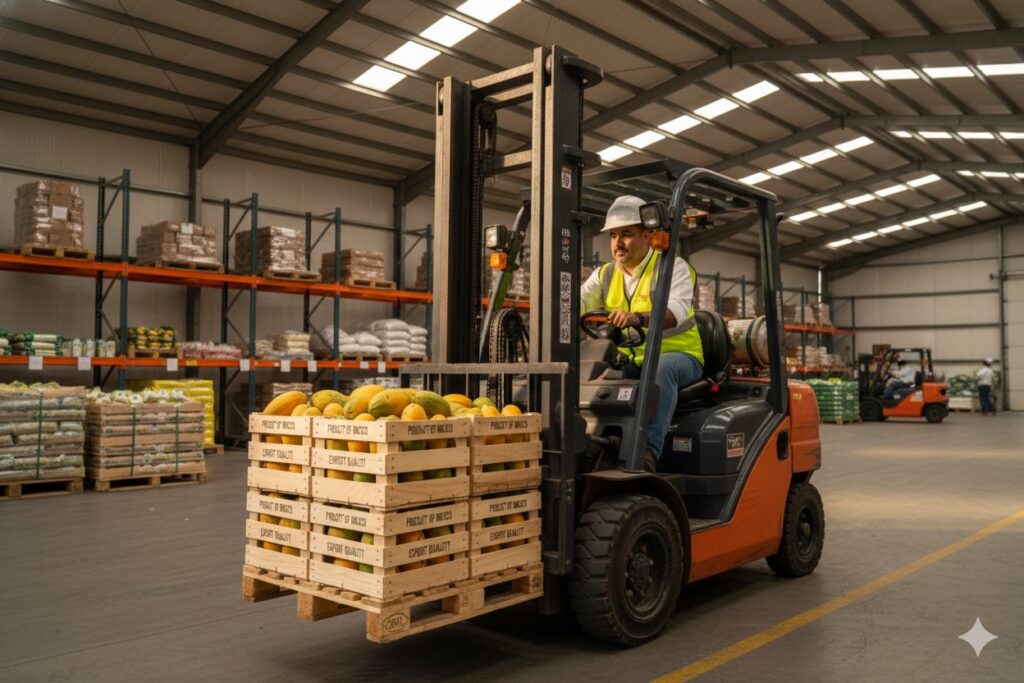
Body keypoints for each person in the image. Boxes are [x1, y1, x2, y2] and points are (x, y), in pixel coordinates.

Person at [580, 195, 704, 472]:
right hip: (631, 360)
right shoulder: (605, 274)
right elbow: (576, 302)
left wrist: (638, 317)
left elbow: (674, 312)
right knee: (592, 376)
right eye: (613, 235)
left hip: (680, 357)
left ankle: (648, 452)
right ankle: (594, 445)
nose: (617, 243)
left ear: (647, 236)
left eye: (626, 234)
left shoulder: (673, 267)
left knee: (660, 370)